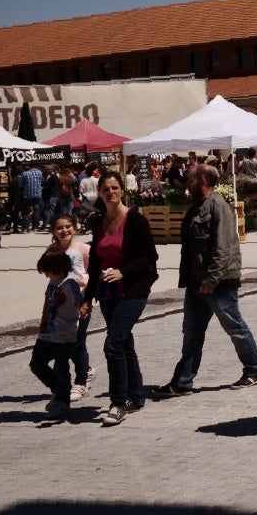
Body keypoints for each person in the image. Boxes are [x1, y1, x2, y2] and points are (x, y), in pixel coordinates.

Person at [155, 164, 257, 397]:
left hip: (218, 282)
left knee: (235, 327)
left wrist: (212, 278)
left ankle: (254, 370)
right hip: (197, 282)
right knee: (192, 332)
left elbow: (223, 247)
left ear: (203, 180)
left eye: (190, 178)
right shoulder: (197, 206)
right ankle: (182, 382)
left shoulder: (217, 206)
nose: (186, 181)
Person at [80, 171, 159, 426]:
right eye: (106, 189)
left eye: (115, 188)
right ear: (100, 193)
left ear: (122, 190)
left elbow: (149, 256)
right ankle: (135, 397)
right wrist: (87, 298)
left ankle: (117, 402)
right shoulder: (100, 222)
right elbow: (95, 264)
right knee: (124, 344)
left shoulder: (135, 219)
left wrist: (123, 272)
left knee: (112, 345)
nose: (111, 193)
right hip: (108, 292)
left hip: (133, 290)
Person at [29, 247, 85, 419]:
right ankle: (59, 391)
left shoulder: (70, 284)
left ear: (58, 269)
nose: (46, 276)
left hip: (64, 336)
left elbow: (80, 303)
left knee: (61, 369)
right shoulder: (53, 282)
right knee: (36, 364)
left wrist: (83, 309)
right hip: (46, 333)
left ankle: (62, 402)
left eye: (47, 272)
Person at [48, 214, 94, 402]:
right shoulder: (52, 249)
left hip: (80, 302)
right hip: (59, 304)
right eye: (59, 228)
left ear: (74, 228)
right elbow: (49, 272)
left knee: (77, 341)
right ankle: (87, 370)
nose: (64, 230)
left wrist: (84, 282)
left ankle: (81, 381)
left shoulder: (83, 249)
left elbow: (95, 271)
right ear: (53, 231)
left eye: (68, 226)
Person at [17, 164, 45, 233]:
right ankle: (35, 227)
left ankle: (25, 229)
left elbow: (20, 184)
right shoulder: (39, 172)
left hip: (27, 195)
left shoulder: (25, 173)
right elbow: (42, 182)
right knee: (36, 211)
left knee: (25, 212)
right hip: (37, 195)